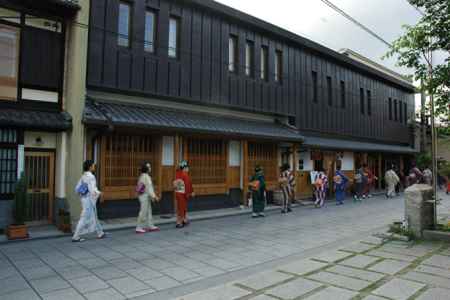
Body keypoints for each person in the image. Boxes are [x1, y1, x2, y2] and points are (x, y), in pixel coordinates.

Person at [72, 160, 106, 242]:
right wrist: (99, 193)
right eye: (93, 166)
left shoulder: (83, 176)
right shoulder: (91, 177)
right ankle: (76, 236)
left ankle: (100, 232)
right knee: (84, 217)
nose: (94, 167)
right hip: (89, 200)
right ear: (90, 167)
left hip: (84, 198)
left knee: (94, 215)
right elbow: (92, 190)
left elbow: (77, 188)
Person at [135, 162, 160, 234]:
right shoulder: (146, 177)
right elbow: (149, 188)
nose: (150, 168)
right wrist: (154, 197)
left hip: (144, 196)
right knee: (143, 211)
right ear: (146, 169)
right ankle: (139, 227)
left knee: (148, 211)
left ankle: (150, 225)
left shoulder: (142, 176)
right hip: (145, 196)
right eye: (149, 167)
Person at [173, 160, 194, 228]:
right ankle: (179, 222)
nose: (188, 169)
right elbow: (187, 185)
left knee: (180, 208)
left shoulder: (177, 174)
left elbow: (174, 184)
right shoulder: (185, 175)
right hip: (183, 194)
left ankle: (184, 220)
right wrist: (190, 193)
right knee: (182, 208)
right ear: (184, 168)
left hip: (177, 193)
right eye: (187, 167)